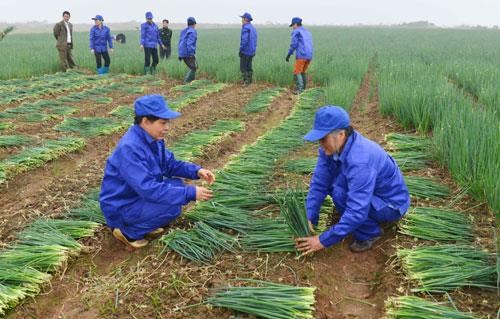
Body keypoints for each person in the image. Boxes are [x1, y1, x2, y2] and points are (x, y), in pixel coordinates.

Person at [100, 94, 215, 250]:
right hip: (122, 206)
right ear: (146, 121)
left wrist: (197, 171)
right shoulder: (130, 148)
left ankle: (145, 221)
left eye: (167, 122)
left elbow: (170, 164)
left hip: (136, 196)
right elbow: (149, 189)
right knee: (173, 205)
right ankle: (128, 231)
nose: (167, 127)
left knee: (177, 185)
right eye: (162, 123)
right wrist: (190, 193)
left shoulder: (154, 140)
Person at [295, 106, 410, 254]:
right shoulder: (330, 149)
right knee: (333, 187)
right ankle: (356, 221)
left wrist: (322, 240)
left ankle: (370, 233)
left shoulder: (360, 160)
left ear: (341, 134)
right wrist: (310, 216)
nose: (321, 145)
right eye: (319, 140)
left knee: (339, 194)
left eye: (323, 139)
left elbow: (357, 211)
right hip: (372, 193)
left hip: (390, 204)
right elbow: (319, 183)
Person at [285, 17, 313, 95]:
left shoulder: (297, 31)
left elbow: (294, 44)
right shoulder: (307, 32)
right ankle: (303, 88)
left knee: (297, 71)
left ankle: (299, 90)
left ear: (296, 24)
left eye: (293, 25)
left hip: (302, 55)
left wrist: (289, 54)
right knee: (302, 72)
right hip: (309, 55)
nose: (292, 27)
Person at [239, 12, 258, 86]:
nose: (241, 20)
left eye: (242, 18)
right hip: (252, 51)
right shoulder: (253, 28)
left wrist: (241, 50)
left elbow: (244, 40)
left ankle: (246, 81)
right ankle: (250, 81)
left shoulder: (246, 28)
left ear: (246, 19)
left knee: (243, 67)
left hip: (246, 51)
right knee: (249, 66)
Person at [178, 17, 198, 83]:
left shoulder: (184, 31)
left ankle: (191, 81)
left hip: (182, 52)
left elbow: (180, 42)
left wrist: (180, 53)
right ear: (194, 24)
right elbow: (190, 43)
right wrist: (191, 53)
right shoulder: (192, 31)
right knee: (193, 67)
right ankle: (187, 81)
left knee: (192, 66)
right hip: (187, 52)